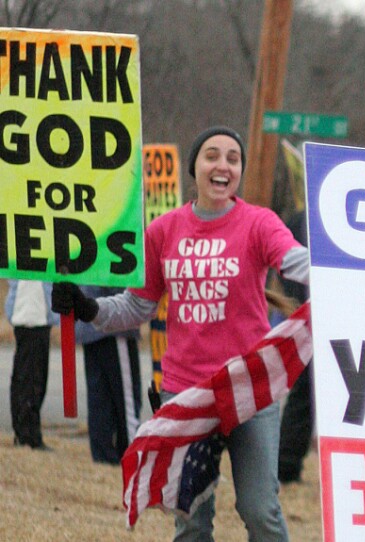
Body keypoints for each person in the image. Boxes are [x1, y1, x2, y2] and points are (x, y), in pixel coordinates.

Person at [52, 125, 310, 542]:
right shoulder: (163, 231)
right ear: (195, 167)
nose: (222, 165)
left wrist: (340, 270)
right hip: (186, 393)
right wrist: (89, 308)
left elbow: (295, 261)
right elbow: (137, 306)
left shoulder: (259, 223)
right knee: (190, 519)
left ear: (240, 169)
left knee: (260, 509)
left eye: (232, 158)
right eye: (212, 155)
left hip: (249, 390)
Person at [75, 285, 142, 464]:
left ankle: (103, 456)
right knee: (125, 399)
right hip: (113, 324)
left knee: (99, 398)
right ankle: (132, 456)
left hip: (89, 325)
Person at [276, 209, 313, 484]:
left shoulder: (303, 215)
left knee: (305, 387)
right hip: (313, 309)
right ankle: (286, 462)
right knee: (306, 386)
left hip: (308, 306)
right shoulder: (306, 217)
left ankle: (287, 462)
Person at [4, 280, 58, 451]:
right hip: (31, 312)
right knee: (30, 379)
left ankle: (26, 433)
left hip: (33, 311)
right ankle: (28, 436)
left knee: (29, 376)